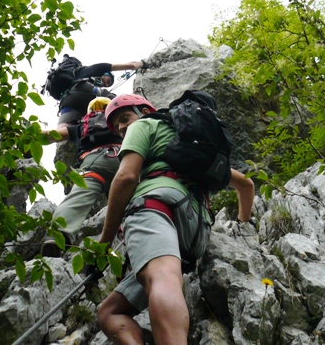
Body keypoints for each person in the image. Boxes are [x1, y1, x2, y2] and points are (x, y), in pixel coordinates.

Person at [95, 94, 255, 344]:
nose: (122, 127)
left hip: (156, 206)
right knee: (109, 312)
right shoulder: (190, 144)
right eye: (117, 127)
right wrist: (245, 224)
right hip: (195, 233)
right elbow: (246, 185)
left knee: (162, 276)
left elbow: (126, 177)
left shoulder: (144, 126)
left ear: (144, 111)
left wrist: (103, 245)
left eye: (125, 118)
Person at [40, 97, 124, 257]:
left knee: (77, 198)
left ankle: (58, 237)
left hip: (95, 162)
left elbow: (51, 135)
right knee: (134, 197)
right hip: (123, 158)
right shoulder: (117, 118)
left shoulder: (82, 126)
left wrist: (28, 136)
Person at [57, 59, 148, 128]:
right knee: (110, 98)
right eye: (107, 80)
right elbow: (132, 65)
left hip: (67, 101)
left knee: (62, 128)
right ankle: (133, 110)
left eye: (107, 84)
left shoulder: (77, 74)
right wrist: (142, 63)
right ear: (105, 73)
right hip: (83, 90)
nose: (105, 84)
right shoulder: (95, 69)